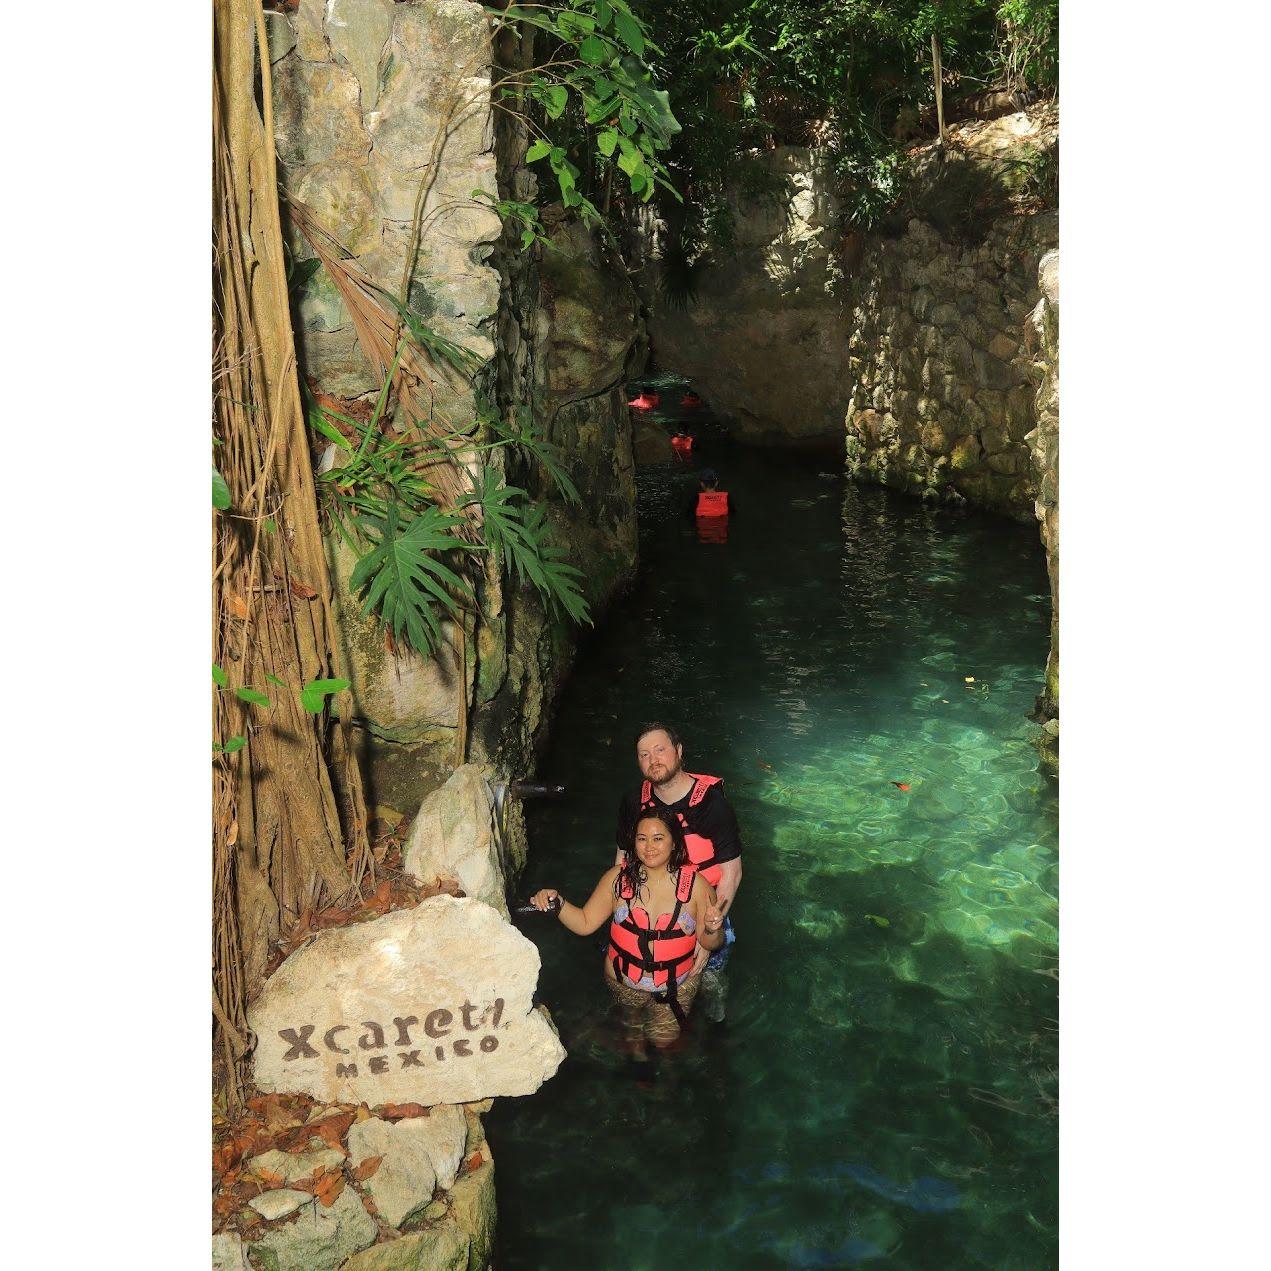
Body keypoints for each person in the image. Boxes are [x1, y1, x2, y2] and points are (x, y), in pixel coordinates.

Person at [530, 810, 726, 1051]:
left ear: (674, 842)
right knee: (631, 1031)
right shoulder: (617, 880)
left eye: (658, 838)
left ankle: (664, 1078)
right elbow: (584, 922)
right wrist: (557, 903)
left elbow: (710, 943)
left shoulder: (697, 887)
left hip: (676, 986)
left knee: (664, 1041)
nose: (649, 846)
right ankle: (638, 1062)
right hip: (622, 981)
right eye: (642, 838)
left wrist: (711, 928)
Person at [615, 724, 743, 1020]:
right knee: (640, 984)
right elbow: (622, 857)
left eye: (660, 750)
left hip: (702, 909)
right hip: (649, 906)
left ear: (679, 751)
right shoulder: (634, 801)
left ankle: (715, 1027)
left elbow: (731, 872)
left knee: (708, 980)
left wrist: (707, 935)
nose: (653, 759)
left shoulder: (712, 805)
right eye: (644, 754)